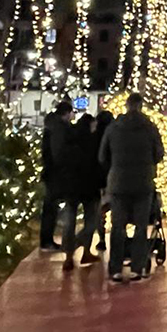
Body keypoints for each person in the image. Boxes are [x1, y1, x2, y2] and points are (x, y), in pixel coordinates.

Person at [98, 93, 163, 283]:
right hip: (143, 183)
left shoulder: (113, 128)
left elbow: (102, 156)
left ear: (126, 106)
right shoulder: (150, 127)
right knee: (141, 226)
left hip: (118, 183)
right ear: (141, 106)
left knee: (118, 226)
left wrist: (116, 167)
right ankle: (137, 267)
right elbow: (159, 154)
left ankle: (116, 269)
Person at [59, 115, 102, 271]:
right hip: (90, 188)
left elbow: (63, 162)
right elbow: (99, 164)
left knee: (69, 223)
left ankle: (69, 257)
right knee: (91, 221)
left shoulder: (70, 139)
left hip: (72, 188)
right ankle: (83, 250)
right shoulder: (93, 142)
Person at [39, 102, 73, 251]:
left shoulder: (51, 126)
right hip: (55, 173)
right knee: (51, 208)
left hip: (50, 172)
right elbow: (59, 152)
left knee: (50, 207)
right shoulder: (59, 128)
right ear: (66, 113)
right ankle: (47, 241)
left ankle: (46, 239)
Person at [93, 110, 114, 252]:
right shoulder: (114, 136)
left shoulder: (93, 137)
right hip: (113, 178)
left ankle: (101, 238)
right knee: (117, 209)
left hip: (97, 180)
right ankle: (118, 239)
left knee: (99, 211)